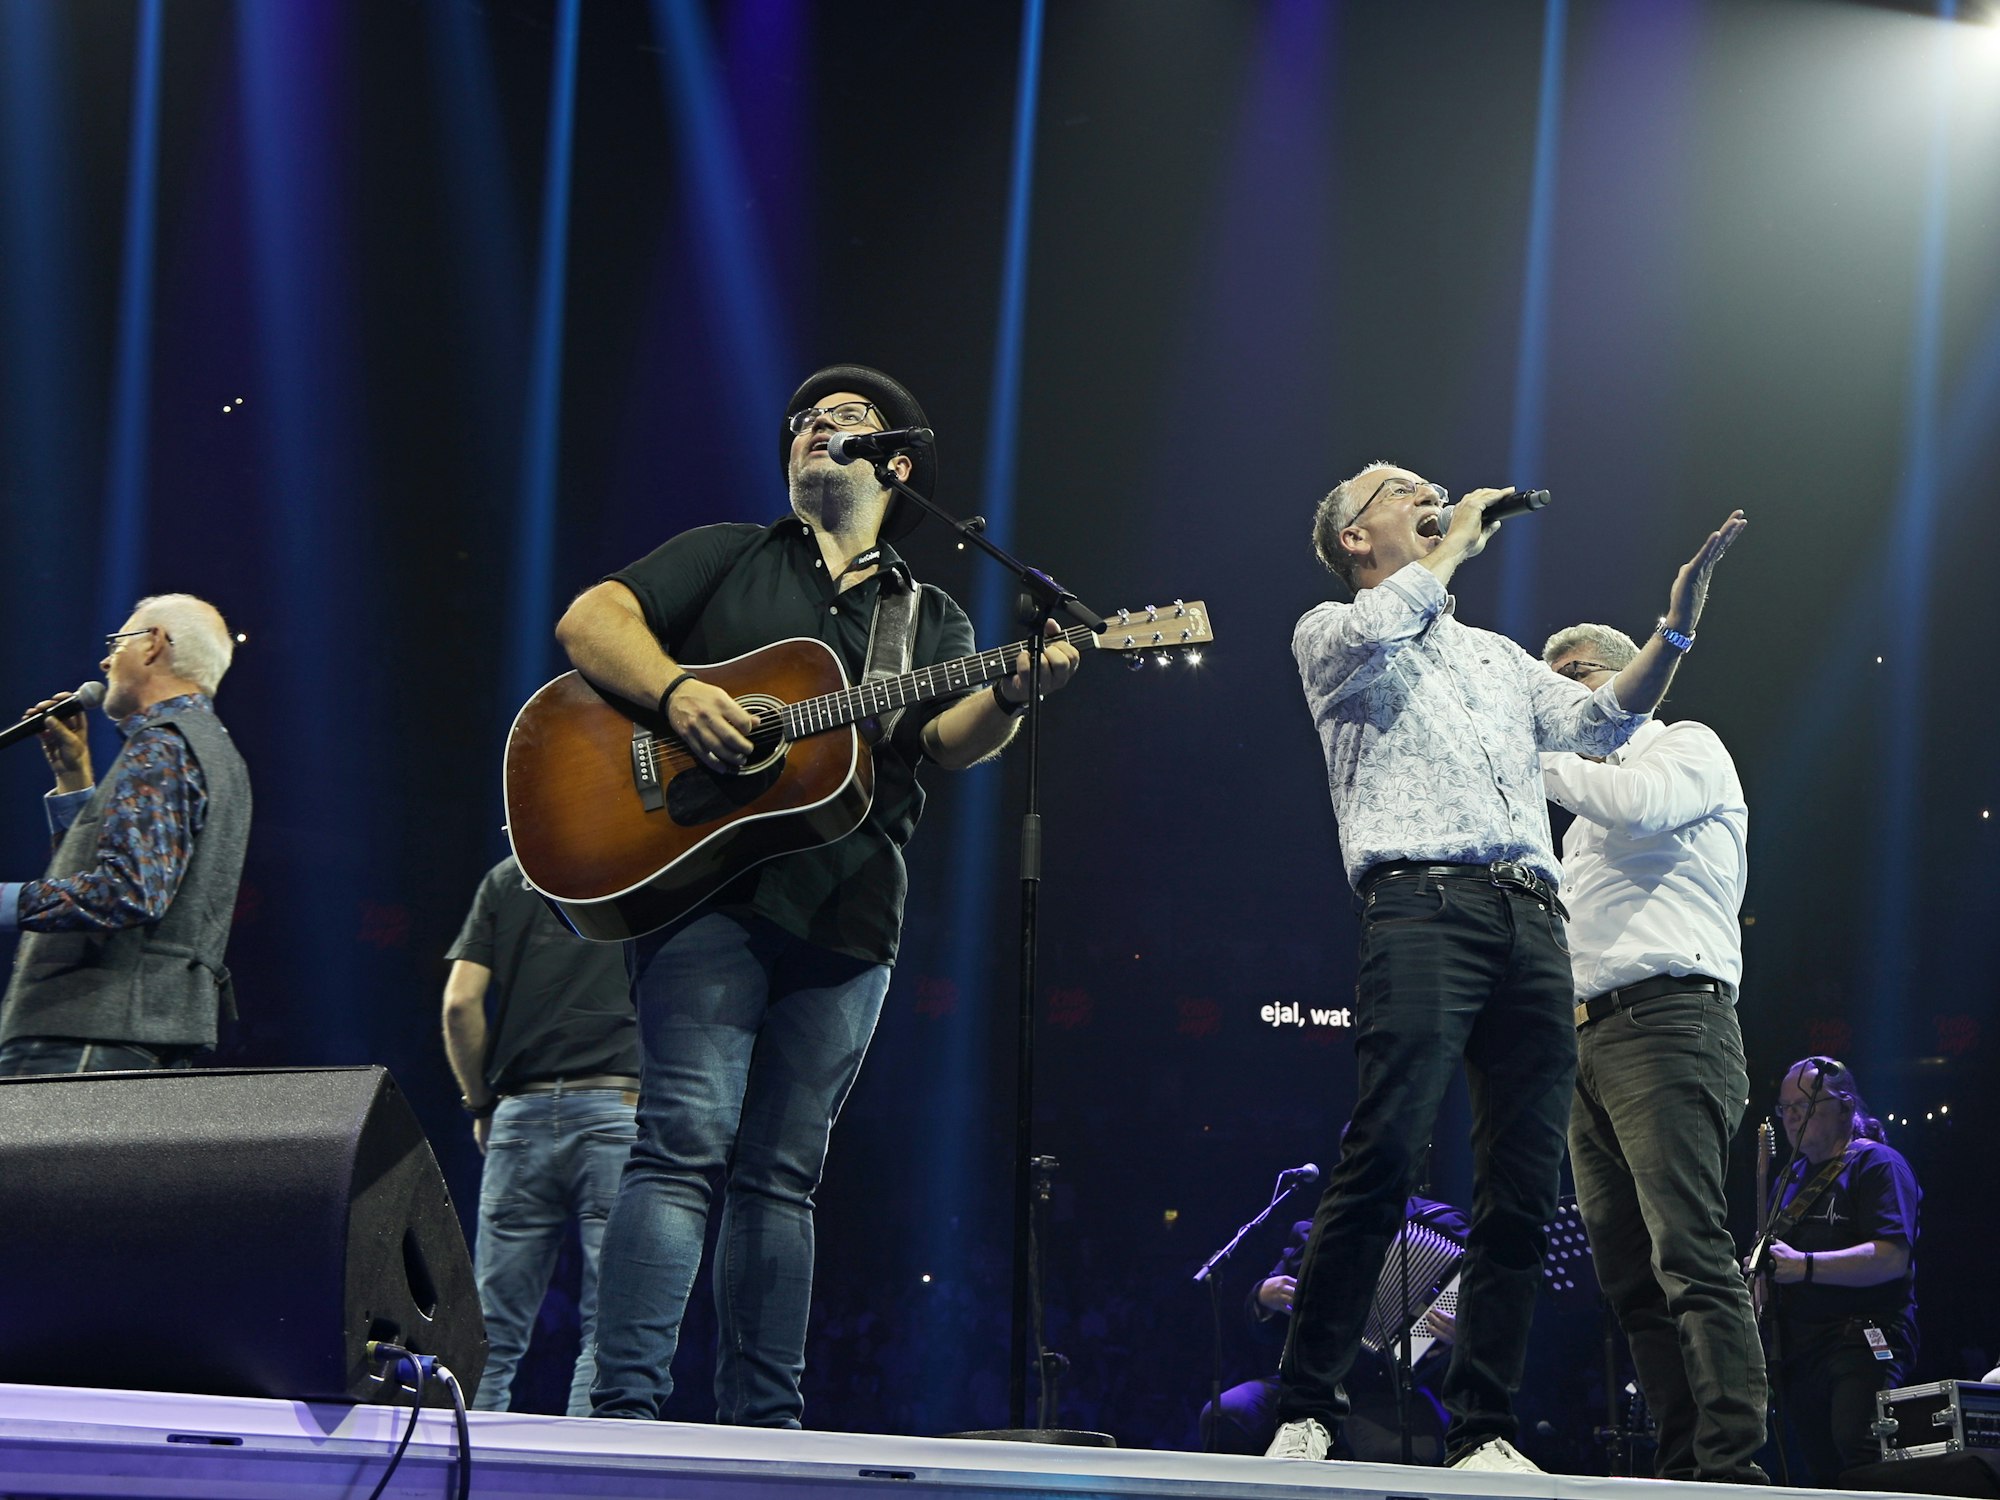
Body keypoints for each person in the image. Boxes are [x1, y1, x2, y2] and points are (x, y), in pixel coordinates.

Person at [553, 365, 1080, 1425]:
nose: (812, 431)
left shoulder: (922, 614)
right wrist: (679, 691)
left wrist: (1012, 694)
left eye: (841, 421)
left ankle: (763, 1428)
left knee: (782, 1174)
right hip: (708, 893)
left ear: (894, 465)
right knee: (682, 1140)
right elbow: (588, 622)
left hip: (849, 911)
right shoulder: (730, 554)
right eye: (802, 422)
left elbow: (943, 740)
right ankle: (623, 1415)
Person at [1266, 464, 1745, 1471]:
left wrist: (1674, 629)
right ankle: (1306, 1402)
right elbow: (1389, 617)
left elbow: (1602, 722)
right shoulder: (1331, 632)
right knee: (1385, 1149)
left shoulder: (1492, 658)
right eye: (1396, 489)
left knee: (1520, 1189)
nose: (1424, 489)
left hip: (1533, 923)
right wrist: (1458, 542)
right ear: (1356, 537)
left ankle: (1481, 1424)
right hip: (1420, 904)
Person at [1540, 622, 1767, 1483]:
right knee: (1630, 1274)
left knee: (1689, 1251)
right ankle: (1682, 1463)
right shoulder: (1579, 820)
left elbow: (1638, 805)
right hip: (1588, 1040)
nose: (1565, 702)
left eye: (1577, 680)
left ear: (1629, 675)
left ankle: (1732, 1463)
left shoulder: (1683, 746)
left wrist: (1529, 756)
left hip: (1670, 1021)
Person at [0, 594, 250, 1076]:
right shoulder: (207, 748)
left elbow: (127, 892)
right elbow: (131, 879)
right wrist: (75, 782)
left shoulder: (164, 742)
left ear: (154, 644)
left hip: (89, 1028)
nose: (104, 659)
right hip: (133, 1030)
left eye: (118, 642)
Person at [443, 855, 640, 1416]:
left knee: (490, 1334)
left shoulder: (508, 877)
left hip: (518, 1116)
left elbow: (459, 1004)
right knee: (608, 1331)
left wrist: (481, 1103)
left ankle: (458, 1475)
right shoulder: (646, 860)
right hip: (617, 1106)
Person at [1757, 1057, 1920, 1486]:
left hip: (1861, 1336)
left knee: (1858, 1449)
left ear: (1845, 1108)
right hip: (1801, 1348)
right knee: (1819, 1469)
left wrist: (1804, 1266)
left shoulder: (1878, 1165)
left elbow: (1891, 1257)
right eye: (1785, 1107)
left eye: (1805, 1105)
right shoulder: (1788, 1179)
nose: (1792, 1116)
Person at [1207, 1196, 1466, 1460]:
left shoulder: (1445, 1226)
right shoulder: (1321, 1228)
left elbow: (1485, 1324)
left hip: (1391, 1390)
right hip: (1312, 1379)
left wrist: (1463, 1335)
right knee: (1225, 1411)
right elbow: (1265, 1330)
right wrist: (1263, 1297)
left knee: (1394, 1448)